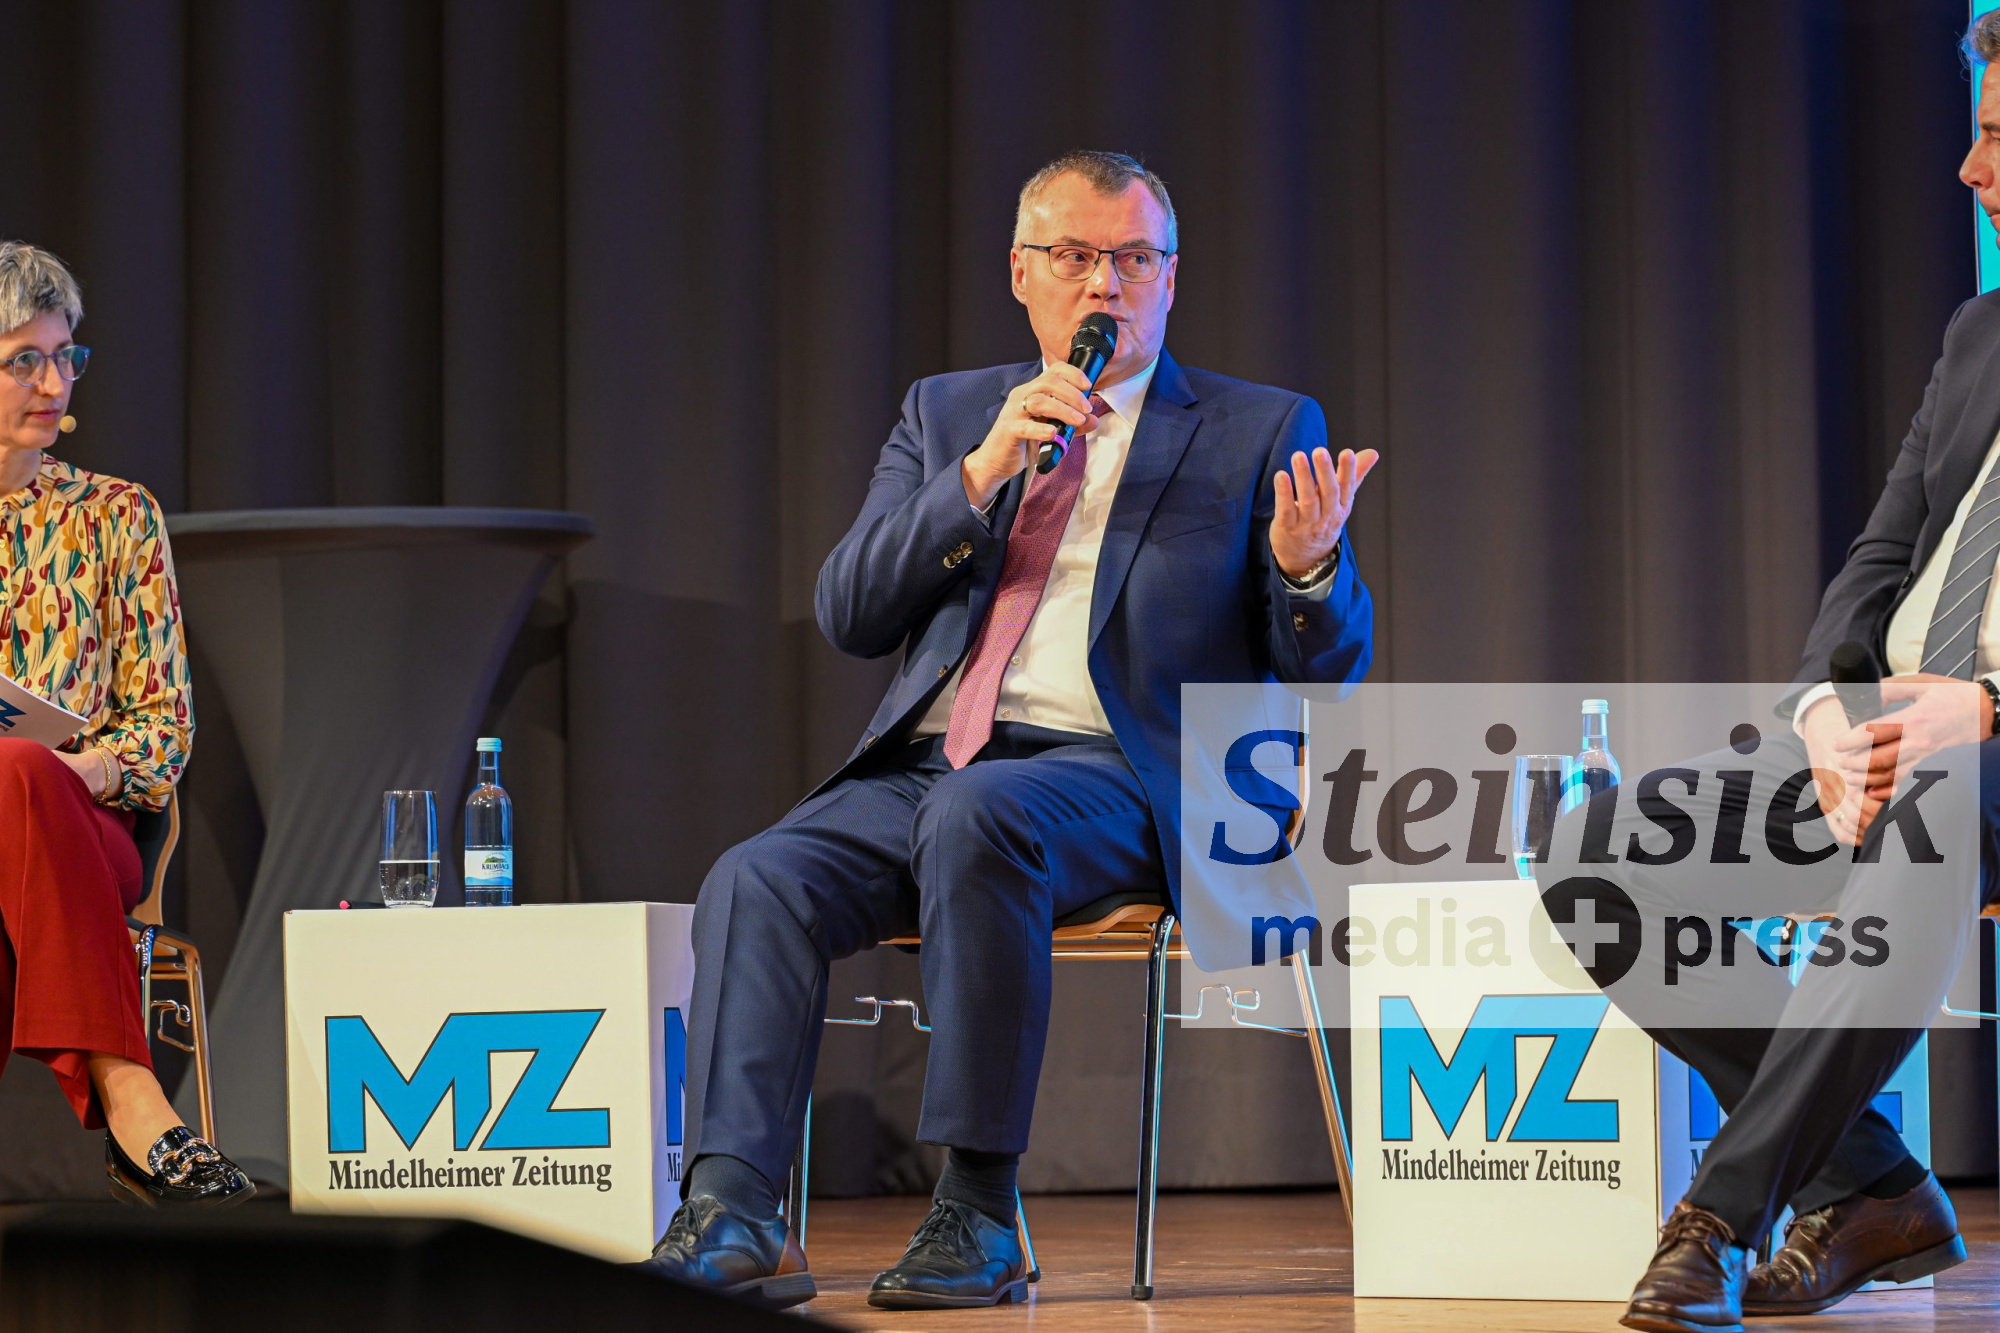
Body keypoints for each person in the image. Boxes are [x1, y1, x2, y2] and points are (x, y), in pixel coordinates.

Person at [641, 151, 1377, 1310]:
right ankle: (733, 1208)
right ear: (1022, 274)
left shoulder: (1254, 426)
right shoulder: (946, 414)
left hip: (1129, 779)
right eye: (1075, 256)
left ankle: (976, 1205)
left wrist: (1306, 569)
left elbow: (1322, 668)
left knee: (979, 816)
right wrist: (980, 470)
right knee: (758, 874)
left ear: (1170, 280)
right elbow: (849, 610)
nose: (1104, 285)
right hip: (933, 768)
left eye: (1132, 259)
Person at [1553, 19, 2000, 1330]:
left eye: (1995, 138)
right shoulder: (1979, 335)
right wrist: (1823, 714)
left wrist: (1984, 709)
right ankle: (1873, 1186)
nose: (1969, 170)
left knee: (1931, 807)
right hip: (1892, 735)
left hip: (1978, 754)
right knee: (1599, 852)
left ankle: (1718, 1215)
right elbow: (1883, 553)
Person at [0, 241, 251, 1206]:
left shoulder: (115, 516)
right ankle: (136, 1114)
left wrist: (81, 772)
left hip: (87, 820)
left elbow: (163, 726)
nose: (53, 382)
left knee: (21, 772)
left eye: (66, 356)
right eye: (25, 359)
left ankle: (132, 1091)